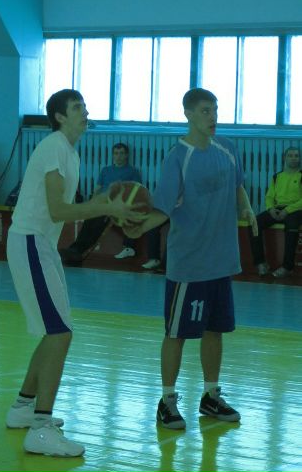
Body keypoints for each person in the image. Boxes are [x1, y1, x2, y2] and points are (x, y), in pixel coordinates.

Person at [5, 89, 144, 457]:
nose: (85, 112)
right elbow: (58, 210)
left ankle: (23, 408)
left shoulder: (69, 153)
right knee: (59, 333)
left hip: (42, 246)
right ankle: (40, 429)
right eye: (77, 107)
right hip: (30, 243)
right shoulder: (54, 146)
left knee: (56, 331)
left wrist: (106, 205)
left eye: (84, 106)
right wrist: (104, 208)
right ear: (60, 116)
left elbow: (70, 208)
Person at [125, 88, 257, 430]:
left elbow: (238, 185)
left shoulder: (227, 148)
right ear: (188, 114)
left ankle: (211, 396)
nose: (212, 117)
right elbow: (163, 209)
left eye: (215, 110)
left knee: (216, 331)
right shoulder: (177, 158)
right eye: (205, 111)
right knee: (176, 334)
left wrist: (246, 207)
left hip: (222, 261)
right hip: (189, 265)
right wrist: (140, 228)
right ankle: (167, 400)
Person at [60, 142, 143, 265]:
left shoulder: (132, 172)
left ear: (126, 155)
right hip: (101, 202)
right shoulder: (106, 170)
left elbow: (136, 191)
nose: (118, 156)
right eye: (116, 153)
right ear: (112, 155)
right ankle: (75, 249)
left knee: (98, 223)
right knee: (89, 220)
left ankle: (79, 252)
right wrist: (92, 203)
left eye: (121, 153)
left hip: (115, 205)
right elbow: (97, 189)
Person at [249, 146, 302, 278]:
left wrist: (287, 210)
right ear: (285, 158)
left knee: (292, 225)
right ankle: (261, 263)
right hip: (278, 209)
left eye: (296, 156)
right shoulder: (277, 176)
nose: (293, 158)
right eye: (290, 155)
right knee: (254, 223)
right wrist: (271, 209)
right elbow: (269, 196)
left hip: (296, 209)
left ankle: (287, 267)